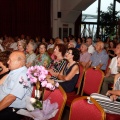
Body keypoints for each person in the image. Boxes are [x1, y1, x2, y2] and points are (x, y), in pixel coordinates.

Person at [0, 51, 32, 120]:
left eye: (10, 60)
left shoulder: (23, 76)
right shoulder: (14, 71)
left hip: (13, 109)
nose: (8, 62)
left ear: (19, 62)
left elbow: (11, 98)